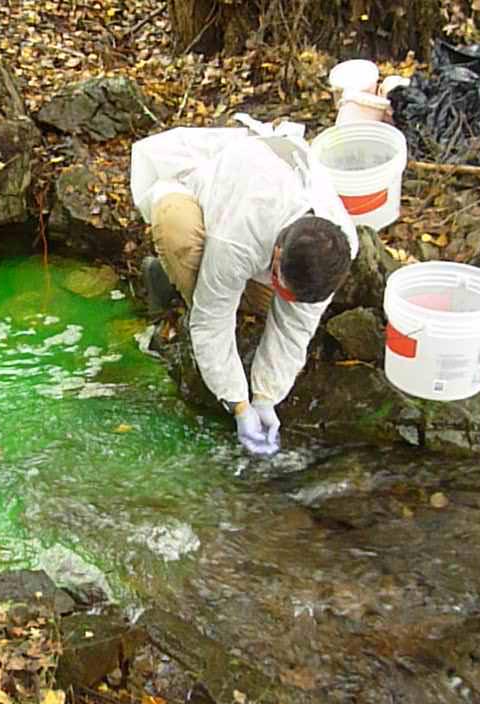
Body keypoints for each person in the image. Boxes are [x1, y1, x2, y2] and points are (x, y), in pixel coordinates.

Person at [130, 115, 358, 457]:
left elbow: (294, 329)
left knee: (272, 309)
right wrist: (237, 404)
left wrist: (266, 398)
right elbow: (212, 321)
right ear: (277, 254)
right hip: (196, 192)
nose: (288, 300)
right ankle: (169, 277)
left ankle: (230, 290)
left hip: (259, 238)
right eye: (284, 288)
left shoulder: (340, 246)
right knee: (180, 235)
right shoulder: (241, 232)